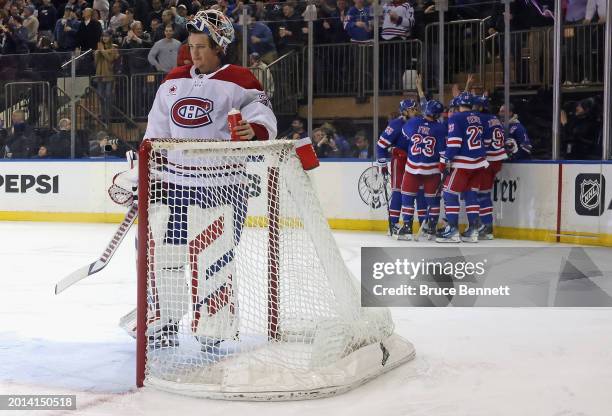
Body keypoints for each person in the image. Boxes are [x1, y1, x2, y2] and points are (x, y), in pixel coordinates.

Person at [111, 9, 276, 348]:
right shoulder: (173, 78)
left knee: (213, 259)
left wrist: (253, 130)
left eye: (202, 46)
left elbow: (263, 119)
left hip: (223, 187)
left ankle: (214, 326)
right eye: (192, 45)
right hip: (173, 185)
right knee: (162, 255)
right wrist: (141, 172)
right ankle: (163, 319)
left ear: (220, 47)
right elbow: (155, 133)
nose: (194, 52)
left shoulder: (241, 79)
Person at [437, 92, 488, 243]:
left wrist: (446, 159)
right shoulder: (478, 118)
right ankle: (473, 230)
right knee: (471, 195)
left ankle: (452, 230)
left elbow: (454, 143)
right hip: (478, 163)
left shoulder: (456, 118)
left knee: (449, 194)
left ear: (458, 105)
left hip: (463, 163)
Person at [396, 99, 445, 241]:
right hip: (432, 171)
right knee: (433, 201)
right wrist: (444, 170)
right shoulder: (441, 128)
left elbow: (405, 136)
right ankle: (431, 227)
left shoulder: (412, 122)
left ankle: (407, 227)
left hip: (412, 168)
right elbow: (442, 152)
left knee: (407, 198)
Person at [375, 99, 419, 236]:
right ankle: (393, 223)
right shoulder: (396, 124)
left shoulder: (418, 122)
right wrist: (382, 163)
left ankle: (422, 223)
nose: (415, 111)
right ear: (404, 111)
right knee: (398, 192)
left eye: (415, 108)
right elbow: (381, 145)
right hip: (399, 162)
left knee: (417, 193)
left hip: (415, 161)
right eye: (412, 109)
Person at [473, 96, 506, 240]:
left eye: (474, 106)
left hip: (487, 160)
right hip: (497, 159)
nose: (471, 108)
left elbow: (483, 142)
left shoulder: (481, 119)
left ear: (480, 107)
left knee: (481, 194)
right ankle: (485, 225)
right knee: (482, 193)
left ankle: (486, 227)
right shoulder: (494, 118)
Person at [94, 30, 119, 123]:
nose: (105, 38)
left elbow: (110, 59)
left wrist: (103, 51)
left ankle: (108, 115)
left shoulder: (114, 47)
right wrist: (97, 53)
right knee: (100, 95)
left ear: (110, 38)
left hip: (109, 75)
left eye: (107, 36)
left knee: (108, 95)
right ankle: (103, 114)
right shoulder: (100, 48)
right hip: (99, 75)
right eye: (103, 36)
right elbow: (95, 63)